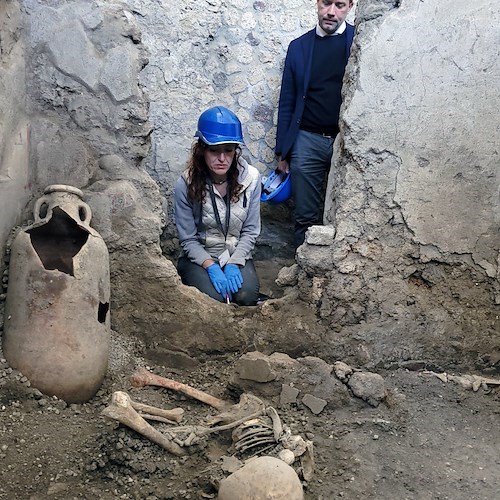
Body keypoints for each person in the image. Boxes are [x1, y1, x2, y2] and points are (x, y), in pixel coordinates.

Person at [275, 0, 355, 248]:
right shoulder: (298, 47)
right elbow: (287, 100)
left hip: (347, 143)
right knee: (305, 217)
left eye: (339, 5)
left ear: (351, 6)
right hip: (306, 140)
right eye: (326, 3)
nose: (331, 11)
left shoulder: (359, 42)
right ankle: (302, 277)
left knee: (347, 217)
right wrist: (283, 152)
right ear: (317, 3)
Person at [174, 106, 261, 306]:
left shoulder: (252, 179)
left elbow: (250, 231)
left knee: (246, 297)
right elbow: (187, 239)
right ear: (202, 150)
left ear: (235, 151)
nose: (222, 159)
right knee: (214, 301)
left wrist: (234, 262)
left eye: (228, 151)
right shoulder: (186, 183)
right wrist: (210, 266)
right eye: (214, 151)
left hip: (237, 255)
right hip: (201, 256)